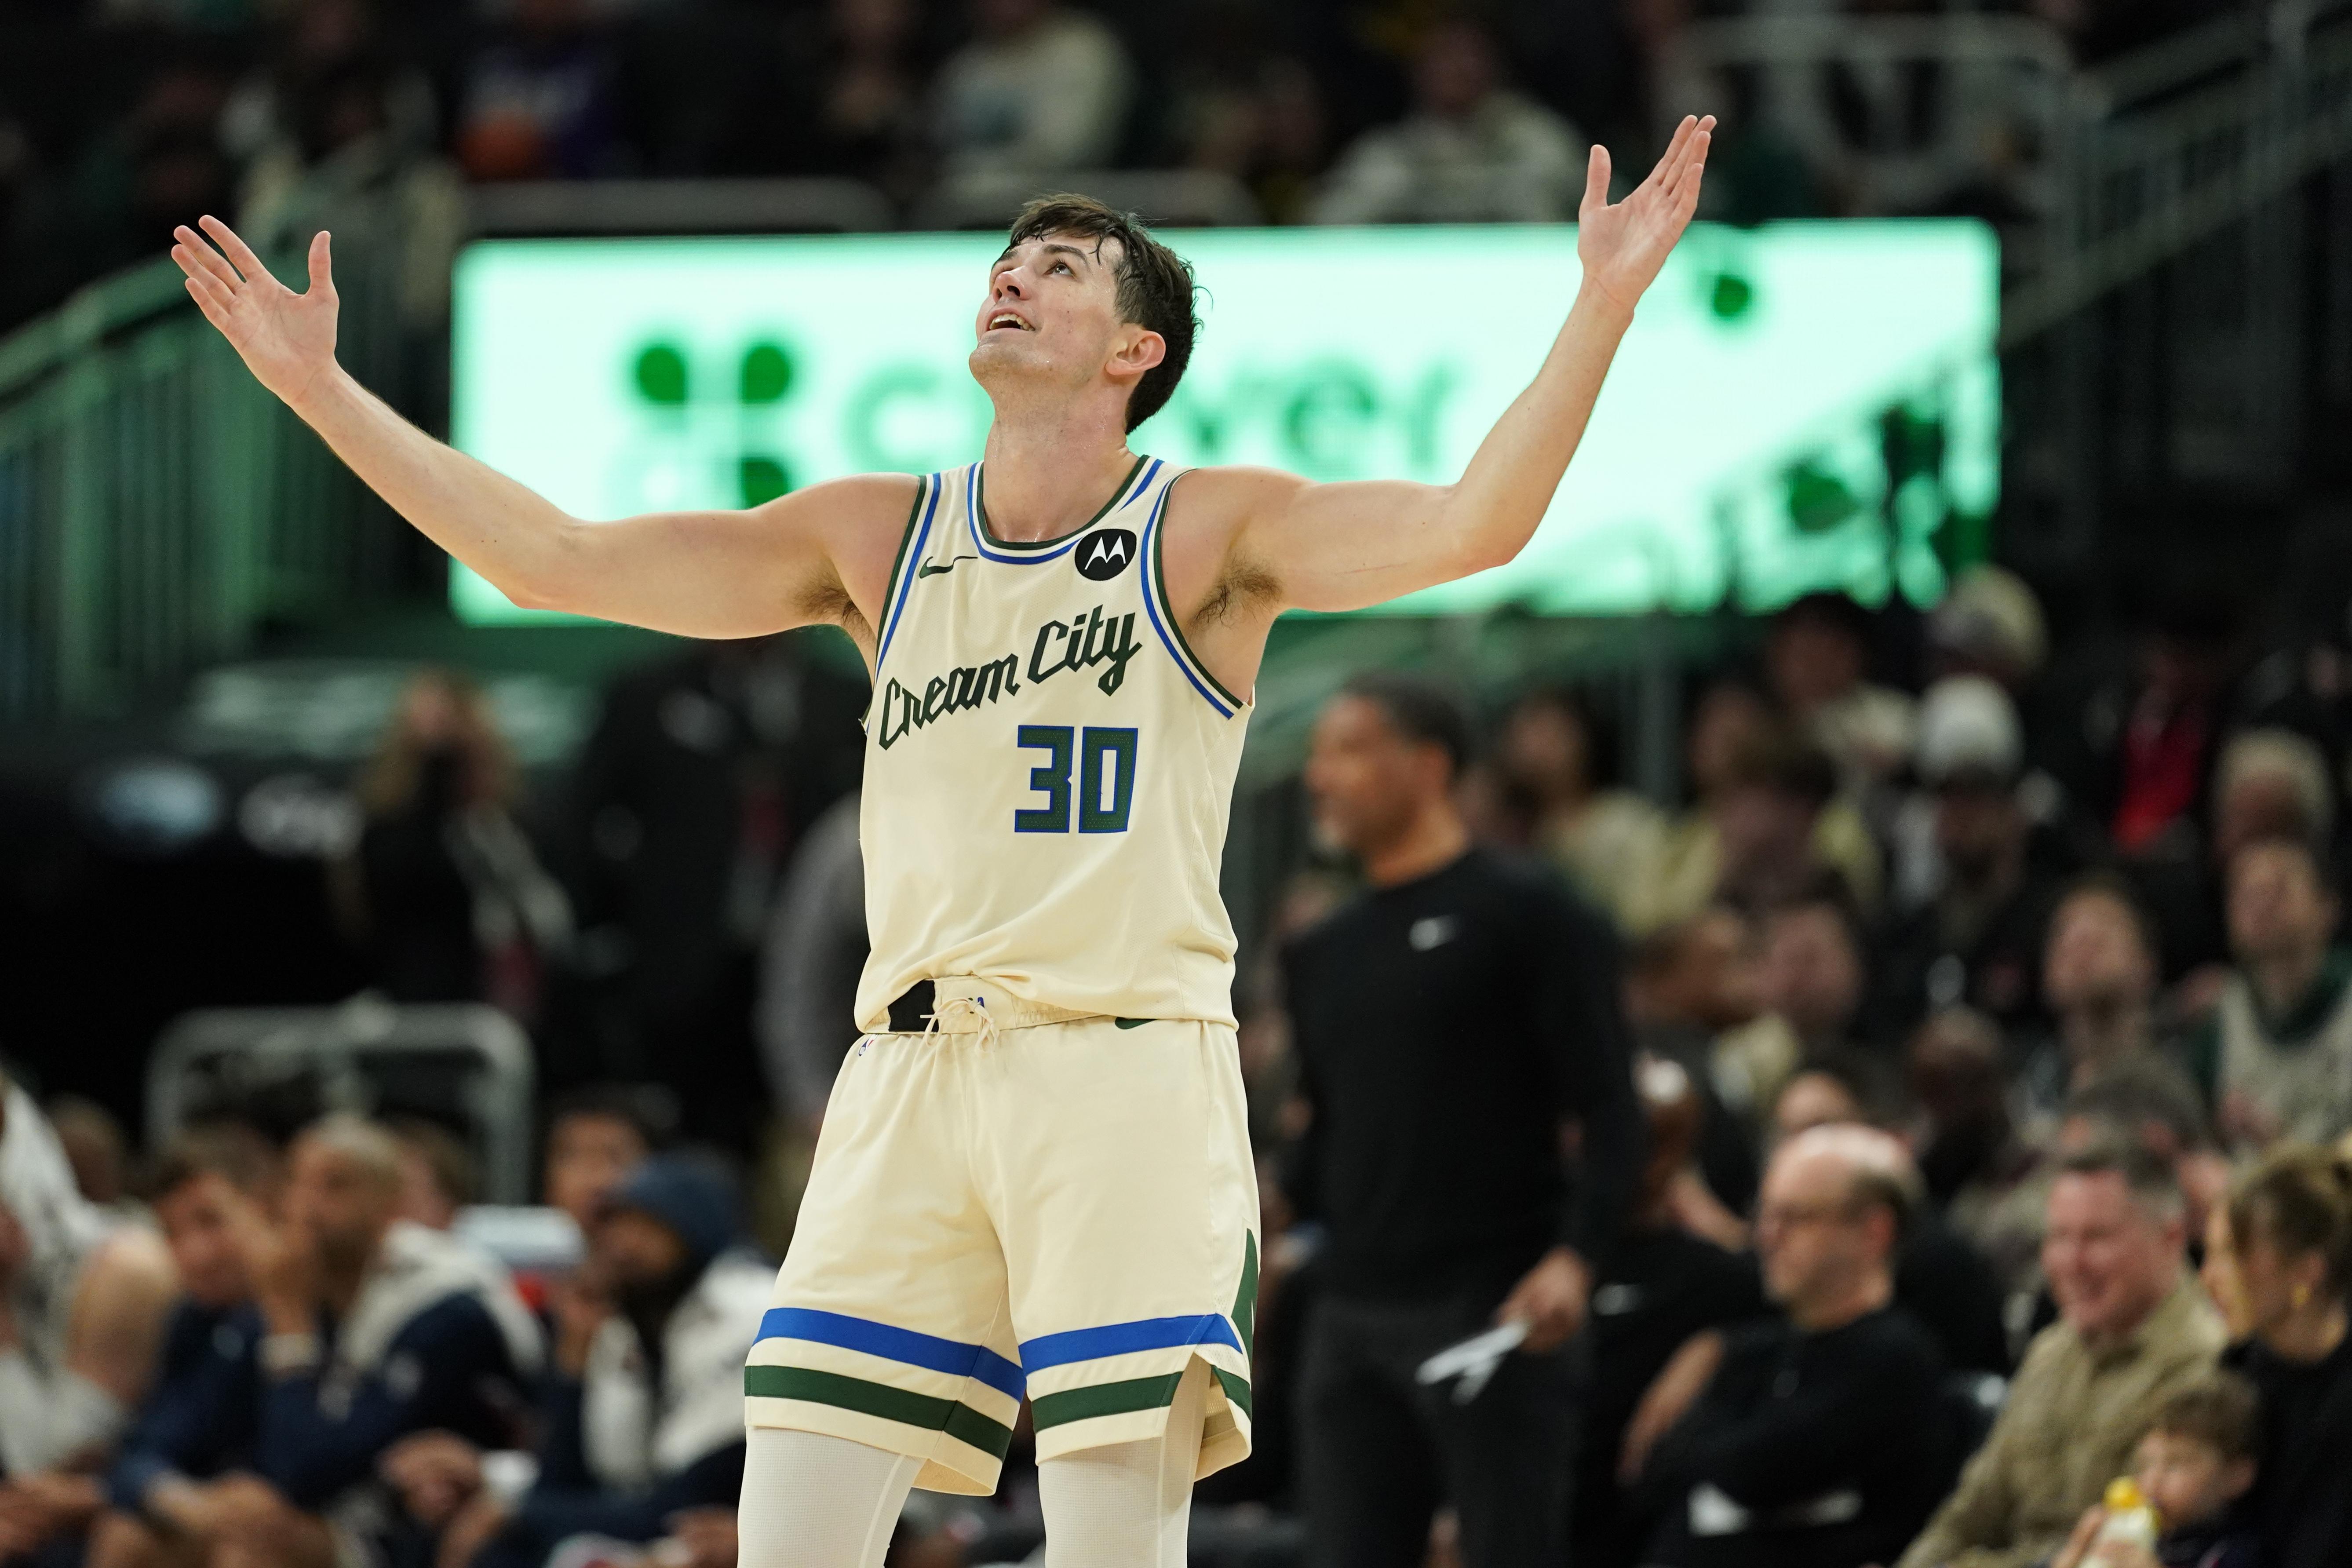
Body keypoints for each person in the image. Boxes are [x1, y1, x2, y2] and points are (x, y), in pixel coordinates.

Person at [170, 112, 1716, 1558]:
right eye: (1002, 264)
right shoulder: (880, 533)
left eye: (1056, 268)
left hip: (1115, 1063)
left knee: (1110, 1543)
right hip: (906, 1072)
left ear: (1133, 349)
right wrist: (319, 388)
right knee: (793, 1530)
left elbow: (1470, 525)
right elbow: (558, 559)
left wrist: (1600, 304)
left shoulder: (1205, 528)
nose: (1011, 281)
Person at [1282, 675, 1643, 1568]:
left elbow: (1609, 1102)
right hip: (1351, 1310)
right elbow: (1323, 1129)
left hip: (1493, 1302)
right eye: (1318, 755)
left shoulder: (1532, 912)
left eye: (1349, 750)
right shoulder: (1320, 950)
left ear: (1429, 765)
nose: (1320, 775)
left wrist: (1577, 1255)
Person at [91, 1115, 543, 1568]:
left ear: (389, 1203)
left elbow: (311, 1471)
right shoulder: (289, 1293)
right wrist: (194, 1503)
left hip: (427, 1529)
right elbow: (165, 1437)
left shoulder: (445, 1304)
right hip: (332, 1516)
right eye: (298, 1183)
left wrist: (290, 1328)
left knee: (255, 1551)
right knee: (128, 1537)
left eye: (335, 1185)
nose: (307, 1206)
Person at [387, 1156, 768, 1568]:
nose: (623, 1244)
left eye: (647, 1226)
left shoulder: (750, 1312)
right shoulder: (626, 1326)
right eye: (616, 1226)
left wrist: (520, 1512)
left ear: (696, 1228)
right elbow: (567, 1478)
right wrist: (573, 1367)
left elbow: (678, 1504)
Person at [1626, 1125, 1951, 1568]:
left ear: (1873, 1231)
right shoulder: (1757, 1350)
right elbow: (1657, 1476)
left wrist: (1707, 1452)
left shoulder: (1895, 1359)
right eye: (1766, 1214)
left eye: (1794, 1217)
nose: (1768, 1235)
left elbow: (1754, 1471)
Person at [1897, 1141, 2226, 1568]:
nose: (2071, 1261)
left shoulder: (2206, 1364)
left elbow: (2112, 1547)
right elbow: (1969, 1514)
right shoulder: (2050, 1352)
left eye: (2096, 1237)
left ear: (2170, 1236)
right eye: (2058, 1236)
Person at [4, 1127, 273, 1567]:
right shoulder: (196, 1321)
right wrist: (172, 1496)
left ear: (265, 1205)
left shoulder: (315, 1315)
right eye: (172, 1232)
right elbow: (149, 1445)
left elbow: (294, 1467)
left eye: (212, 1220)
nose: (195, 1253)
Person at [1573, 1054, 1769, 1568]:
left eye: (1663, 1143)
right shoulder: (1546, 1265)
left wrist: (1720, 1347)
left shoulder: (1724, 1281)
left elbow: (1812, 1321)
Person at [1873, 676, 2059, 1045]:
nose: (1961, 815)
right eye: (1948, 798)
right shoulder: (1908, 930)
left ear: (2012, 811)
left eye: (1977, 796)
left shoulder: (2047, 922)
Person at [2199, 1143, 2352, 1568]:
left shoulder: (2342, 1404)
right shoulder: (2239, 1369)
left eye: (2231, 1255)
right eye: (2208, 1254)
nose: (2208, 1279)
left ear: (2306, 1271)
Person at [1311, 17, 1584, 224]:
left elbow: (1602, 206)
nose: (1458, 68)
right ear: (1420, 71)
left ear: (1493, 64)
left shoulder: (1537, 137)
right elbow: (1326, 224)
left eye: (1469, 55)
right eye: (1444, 56)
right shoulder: (1387, 153)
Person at [2199, 837, 2352, 1150]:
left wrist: (2279, 1143)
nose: (2260, 905)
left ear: (2328, 906)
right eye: (2245, 895)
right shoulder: (2215, 1021)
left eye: (2278, 890)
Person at [2049, 1374, 2262, 1568]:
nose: (2152, 1481)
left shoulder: (2234, 1553)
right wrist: (2078, 1549)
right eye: (2145, 1465)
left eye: (2176, 1464)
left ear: (2236, 1476)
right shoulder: (2143, 1536)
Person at [932, 0, 1134, 179]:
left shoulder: (1084, 49)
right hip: (960, 207)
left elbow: (1064, 152)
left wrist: (972, 171)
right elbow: (937, 146)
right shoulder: (967, 65)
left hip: (1064, 203)